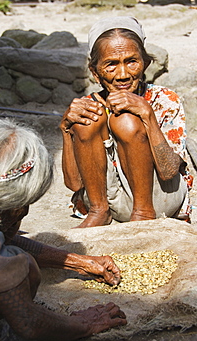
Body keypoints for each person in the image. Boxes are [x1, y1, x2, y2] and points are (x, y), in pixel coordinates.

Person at [0, 118, 126, 341]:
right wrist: (83, 324)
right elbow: (27, 321)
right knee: (25, 272)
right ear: (16, 206)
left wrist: (79, 262)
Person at [60, 16, 193, 228]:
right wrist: (67, 130)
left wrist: (147, 115)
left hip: (160, 197)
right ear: (95, 72)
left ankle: (143, 212)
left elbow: (169, 172)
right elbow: (74, 183)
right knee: (87, 120)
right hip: (109, 200)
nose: (123, 75)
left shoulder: (164, 99)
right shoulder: (88, 106)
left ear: (146, 64)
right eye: (111, 65)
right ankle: (98, 210)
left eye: (131, 61)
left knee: (126, 120)